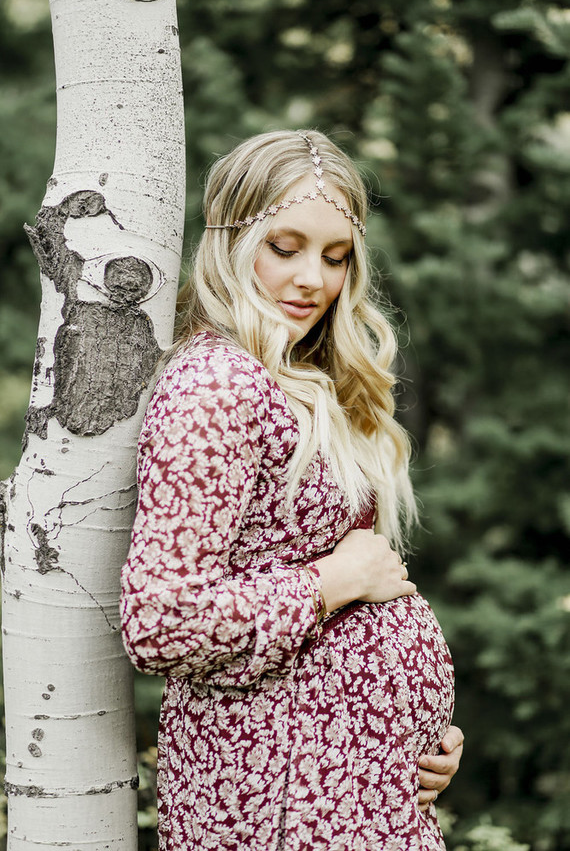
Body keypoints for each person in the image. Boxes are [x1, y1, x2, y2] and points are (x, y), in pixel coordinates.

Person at [121, 129, 464, 850]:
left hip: (349, 782)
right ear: (231, 238)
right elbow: (160, 617)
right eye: (286, 247)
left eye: (336, 257)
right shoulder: (216, 385)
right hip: (274, 796)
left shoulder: (304, 377)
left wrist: (420, 733)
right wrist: (330, 581)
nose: (313, 277)